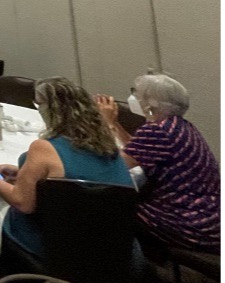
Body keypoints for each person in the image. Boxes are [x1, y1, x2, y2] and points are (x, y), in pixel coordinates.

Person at [0, 77, 132, 261]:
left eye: (38, 104)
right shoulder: (110, 146)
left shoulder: (44, 148)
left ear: (49, 108)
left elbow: (23, 203)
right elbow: (77, 179)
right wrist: (24, 174)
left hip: (54, 245)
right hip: (114, 250)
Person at [94, 74, 220, 252]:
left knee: (112, 207)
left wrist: (106, 123)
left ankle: (130, 264)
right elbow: (136, 150)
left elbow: (116, 165)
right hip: (211, 215)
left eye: (137, 94)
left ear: (151, 104)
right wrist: (115, 123)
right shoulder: (179, 125)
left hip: (190, 221)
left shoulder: (157, 131)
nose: (134, 98)